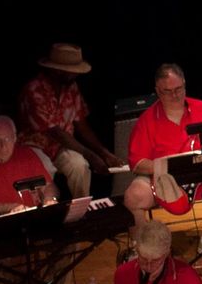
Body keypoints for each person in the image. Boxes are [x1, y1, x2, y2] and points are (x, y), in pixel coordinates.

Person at [124, 63, 202, 256]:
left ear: (184, 84)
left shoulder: (201, 108)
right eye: (168, 91)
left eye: (179, 89)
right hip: (166, 183)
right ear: (157, 91)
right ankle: (145, 249)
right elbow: (138, 163)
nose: (175, 95)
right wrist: (168, 167)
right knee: (133, 195)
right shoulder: (147, 120)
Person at [17, 43, 124, 199]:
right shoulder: (34, 90)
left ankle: (80, 211)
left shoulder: (71, 87)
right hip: (34, 148)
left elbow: (81, 124)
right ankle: (48, 212)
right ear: (57, 70)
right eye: (72, 72)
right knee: (45, 171)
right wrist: (91, 155)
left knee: (79, 165)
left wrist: (104, 152)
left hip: (61, 147)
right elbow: (55, 132)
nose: (75, 75)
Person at [0, 115, 58, 219]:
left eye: (7, 139)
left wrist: (49, 199)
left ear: (14, 138)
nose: (3, 146)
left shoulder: (27, 155)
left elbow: (48, 186)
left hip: (32, 219)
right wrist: (14, 208)